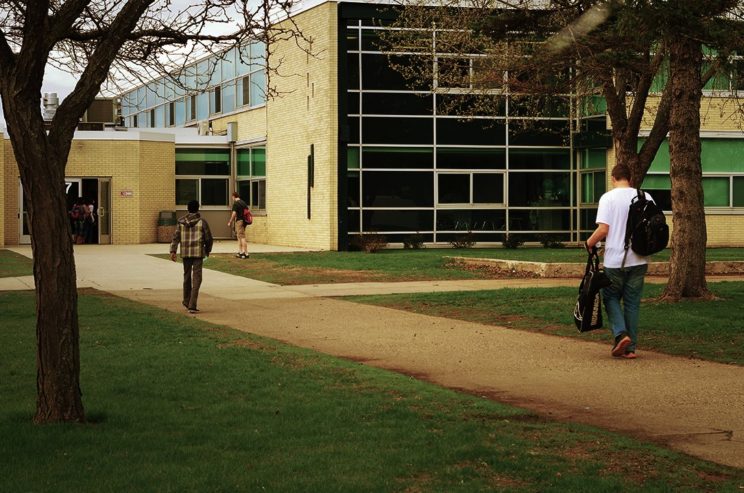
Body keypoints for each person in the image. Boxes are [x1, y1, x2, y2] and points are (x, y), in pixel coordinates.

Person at [585, 164, 655, 360]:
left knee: (611, 297)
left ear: (613, 179)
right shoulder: (645, 196)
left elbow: (603, 230)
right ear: (630, 179)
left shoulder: (608, 198)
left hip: (615, 260)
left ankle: (620, 335)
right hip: (640, 259)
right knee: (632, 303)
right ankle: (630, 348)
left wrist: (588, 243)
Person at [170, 200, 213, 314]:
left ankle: (186, 300)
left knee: (187, 277)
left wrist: (173, 251)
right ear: (198, 208)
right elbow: (208, 238)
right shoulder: (202, 222)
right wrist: (207, 250)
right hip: (198, 253)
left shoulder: (181, 222)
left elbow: (176, 237)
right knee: (197, 278)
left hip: (185, 253)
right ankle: (192, 305)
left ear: (187, 209)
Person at [227, 191, 249, 259]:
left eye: (232, 197)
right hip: (244, 221)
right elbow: (247, 211)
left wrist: (230, 221)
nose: (232, 198)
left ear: (234, 196)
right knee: (239, 236)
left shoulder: (236, 203)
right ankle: (240, 252)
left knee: (242, 237)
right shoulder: (243, 202)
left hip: (239, 221)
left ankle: (246, 253)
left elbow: (234, 214)